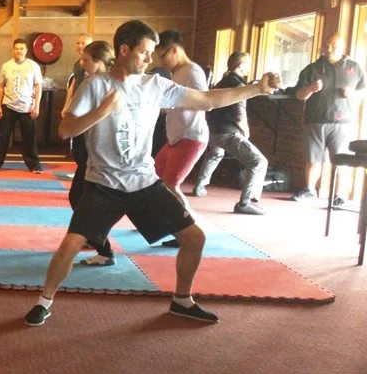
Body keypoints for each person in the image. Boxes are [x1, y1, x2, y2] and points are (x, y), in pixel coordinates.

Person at [23, 20, 280, 328]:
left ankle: (182, 300)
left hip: (144, 182)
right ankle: (44, 302)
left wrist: (256, 88)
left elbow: (208, 100)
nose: (150, 59)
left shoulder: (155, 86)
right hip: (103, 183)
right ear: (124, 50)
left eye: (152, 53)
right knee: (71, 244)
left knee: (194, 237)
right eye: (144, 52)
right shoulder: (95, 86)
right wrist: (101, 111)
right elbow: (66, 130)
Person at [289, 33, 366, 205]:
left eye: (334, 46)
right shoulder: (312, 69)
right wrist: (310, 89)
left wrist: (352, 94)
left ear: (342, 48)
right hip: (314, 120)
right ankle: (310, 190)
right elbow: (299, 95)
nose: (329, 49)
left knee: (342, 161)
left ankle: (340, 195)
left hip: (342, 122)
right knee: (312, 159)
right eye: (327, 45)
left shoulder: (354, 67)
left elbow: (363, 91)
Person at [192, 52, 269, 215]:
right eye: (247, 64)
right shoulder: (239, 85)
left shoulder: (220, 82)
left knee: (215, 154)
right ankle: (245, 202)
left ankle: (199, 186)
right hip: (228, 132)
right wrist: (245, 130)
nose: (249, 67)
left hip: (213, 130)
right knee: (258, 162)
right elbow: (239, 112)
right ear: (241, 65)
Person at [63, 40, 116, 266]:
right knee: (80, 197)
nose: (82, 63)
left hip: (101, 153)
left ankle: (101, 246)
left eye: (86, 60)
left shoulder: (104, 84)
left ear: (99, 60)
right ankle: (94, 239)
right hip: (90, 148)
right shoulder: (92, 81)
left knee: (80, 197)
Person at [153, 30, 209, 212]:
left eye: (163, 56)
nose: (162, 62)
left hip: (190, 137)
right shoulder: (177, 72)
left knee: (171, 185)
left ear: (174, 50)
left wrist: (178, 103)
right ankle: (164, 219)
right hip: (176, 138)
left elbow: (206, 103)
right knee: (155, 177)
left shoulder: (192, 71)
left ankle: (188, 223)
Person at [0, 38, 44, 173]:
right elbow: (0, 86)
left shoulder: (33, 66)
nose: (19, 51)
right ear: (13, 50)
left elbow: (38, 86)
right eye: (16, 48)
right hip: (8, 106)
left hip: (27, 107)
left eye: (21, 48)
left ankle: (34, 165)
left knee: (29, 138)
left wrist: (36, 105)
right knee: (1, 137)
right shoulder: (6, 66)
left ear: (26, 50)